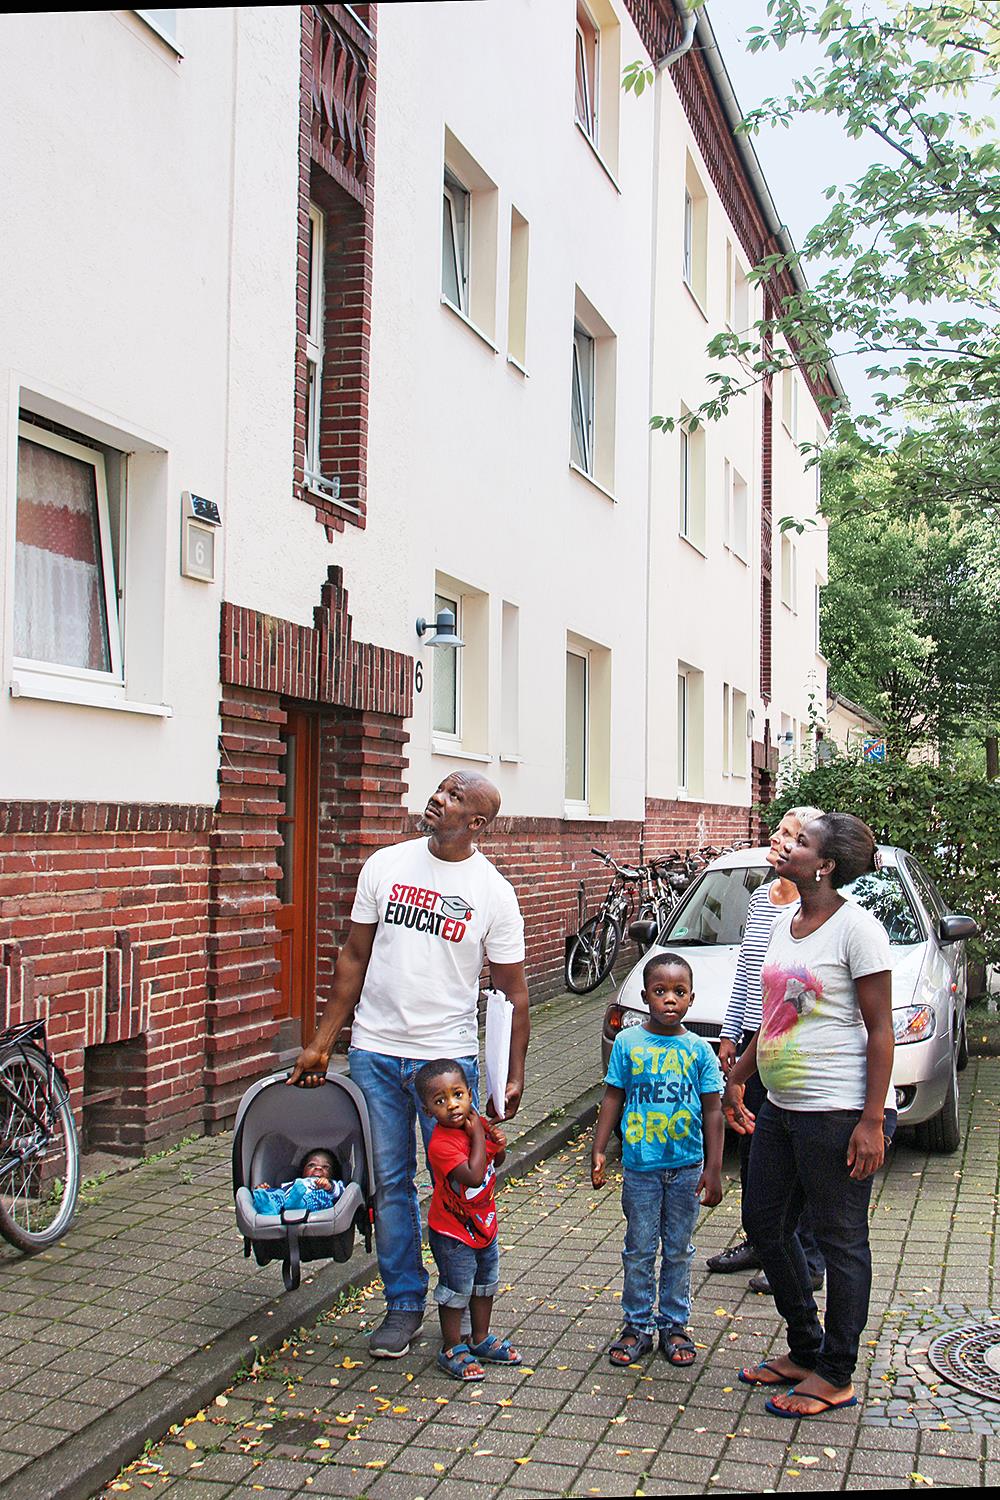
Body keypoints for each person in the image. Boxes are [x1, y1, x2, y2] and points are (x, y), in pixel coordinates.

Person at [288, 772, 529, 1359]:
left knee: (460, 1188)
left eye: (454, 796)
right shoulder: (386, 865)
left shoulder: (492, 892)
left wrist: (511, 1073)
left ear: (476, 822)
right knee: (391, 1184)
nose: (437, 798)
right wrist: (323, 1041)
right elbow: (353, 955)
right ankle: (402, 1306)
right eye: (440, 789)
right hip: (374, 1051)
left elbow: (512, 992)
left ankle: (461, 1300)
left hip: (446, 1063)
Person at [723, 813, 896, 1419]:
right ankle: (805, 1346)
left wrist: (873, 1119)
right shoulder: (785, 922)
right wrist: (737, 1082)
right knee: (765, 1223)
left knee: (841, 1238)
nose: (784, 843)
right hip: (781, 1105)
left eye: (799, 842)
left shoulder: (858, 930)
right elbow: (776, 1018)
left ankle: (836, 1373)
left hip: (836, 1111)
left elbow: (881, 1032)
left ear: (823, 865)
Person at [708, 806, 826, 1294]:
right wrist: (731, 1034)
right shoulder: (762, 898)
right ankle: (762, 1239)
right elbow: (748, 974)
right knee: (756, 1148)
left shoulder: (815, 907)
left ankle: (808, 1256)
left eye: (789, 834)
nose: (776, 839)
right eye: (777, 830)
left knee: (800, 1156)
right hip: (755, 1045)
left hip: (791, 1049)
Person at [591, 953, 724, 1368]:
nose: (670, 1000)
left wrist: (714, 1168)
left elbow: (714, 1111)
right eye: (661, 991)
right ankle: (636, 1325)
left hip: (686, 1167)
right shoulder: (629, 1044)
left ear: (691, 998)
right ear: (646, 995)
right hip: (641, 1168)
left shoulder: (699, 1050)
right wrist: (598, 1149)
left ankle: (673, 1324)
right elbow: (614, 1095)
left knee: (680, 1249)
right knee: (639, 1248)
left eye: (679, 992)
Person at [415, 1058, 519, 1381]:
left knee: (485, 1282)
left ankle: (480, 1337)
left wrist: (496, 1144)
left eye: (458, 1094)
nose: (452, 1105)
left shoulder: (476, 1126)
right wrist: (477, 1135)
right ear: (428, 1111)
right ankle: (452, 1347)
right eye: (440, 1101)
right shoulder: (441, 1144)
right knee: (456, 1288)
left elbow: (493, 1159)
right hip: (453, 1233)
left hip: (484, 1226)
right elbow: (473, 1176)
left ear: (470, 1094)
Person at [252, 1147, 345, 1215]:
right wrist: (266, 1190)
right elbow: (281, 1192)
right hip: (289, 1199)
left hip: (315, 1204)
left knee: (321, 1196)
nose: (318, 1168)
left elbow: (341, 1194)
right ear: (303, 1171)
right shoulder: (296, 1183)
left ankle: (298, 1204)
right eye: (311, 1165)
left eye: (325, 1167)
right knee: (278, 1194)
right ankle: (268, 1207)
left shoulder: (332, 1185)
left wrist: (329, 1186)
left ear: (333, 1174)